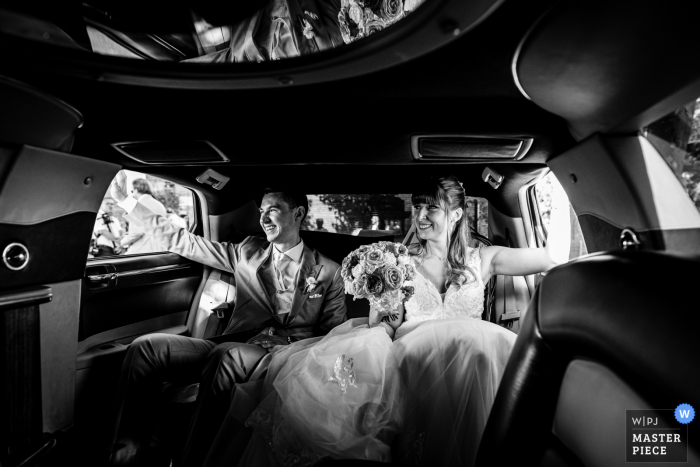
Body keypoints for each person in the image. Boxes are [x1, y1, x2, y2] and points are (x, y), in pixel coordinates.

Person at [234, 176, 567, 467]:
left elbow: (552, 257)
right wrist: (379, 302)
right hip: (414, 357)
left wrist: (567, 183)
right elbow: (386, 324)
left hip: (472, 358)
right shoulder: (400, 260)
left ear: (456, 215)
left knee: (481, 347)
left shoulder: (485, 258)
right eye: (417, 207)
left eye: (430, 209)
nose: (420, 217)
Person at [106, 171, 347, 467]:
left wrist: (293, 358)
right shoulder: (246, 251)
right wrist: (126, 202)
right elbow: (182, 241)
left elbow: (332, 336)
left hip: (284, 356)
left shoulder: (329, 271)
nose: (264, 218)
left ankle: (190, 463)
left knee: (226, 355)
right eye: (261, 211)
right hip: (236, 341)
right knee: (146, 347)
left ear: (297, 214)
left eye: (273, 209)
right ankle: (124, 459)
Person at [119, 178, 167, 254]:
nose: (132, 194)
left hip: (143, 249)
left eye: (132, 191)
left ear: (136, 190)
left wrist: (124, 242)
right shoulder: (159, 205)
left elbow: (137, 231)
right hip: (160, 249)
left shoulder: (139, 205)